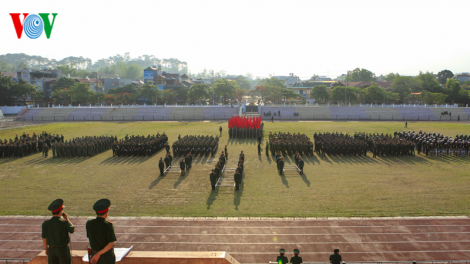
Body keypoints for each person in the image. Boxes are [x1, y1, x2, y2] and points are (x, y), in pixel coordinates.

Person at [42, 199, 74, 264]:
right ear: (61, 211)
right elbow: (72, 230)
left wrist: (46, 248)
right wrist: (67, 219)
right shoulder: (64, 223)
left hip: (51, 250)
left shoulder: (45, 223)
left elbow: (44, 237)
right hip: (63, 250)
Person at [86, 199, 117, 264]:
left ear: (95, 212)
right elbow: (111, 244)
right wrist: (98, 254)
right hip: (106, 257)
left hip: (94, 257)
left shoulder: (89, 223)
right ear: (107, 212)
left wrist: (96, 254)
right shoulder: (108, 225)